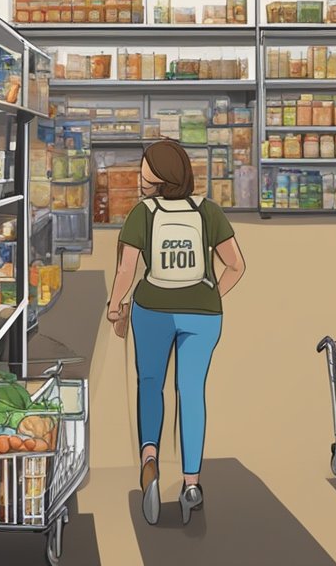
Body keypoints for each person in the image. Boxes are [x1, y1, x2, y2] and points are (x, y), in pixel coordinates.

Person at [104, 140, 246, 526]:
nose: (140, 174)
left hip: (152, 310)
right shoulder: (209, 211)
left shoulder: (142, 213)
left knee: (150, 384)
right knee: (192, 391)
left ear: (159, 176)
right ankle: (192, 483)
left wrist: (114, 307)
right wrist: (208, 292)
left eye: (145, 168)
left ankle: (149, 459)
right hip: (202, 315)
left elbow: (125, 271)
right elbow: (236, 265)